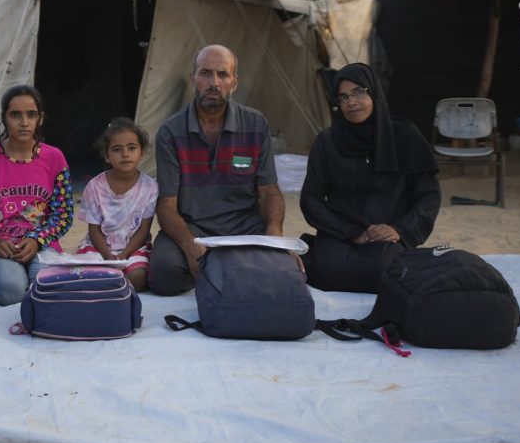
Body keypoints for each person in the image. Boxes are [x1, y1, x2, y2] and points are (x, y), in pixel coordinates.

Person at [150, 44, 288, 295]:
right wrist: (189, 244)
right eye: (205, 73)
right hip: (193, 229)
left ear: (234, 81)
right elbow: (166, 206)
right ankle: (226, 267)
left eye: (223, 74)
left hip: (245, 228)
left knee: (281, 269)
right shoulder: (170, 132)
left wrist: (274, 235)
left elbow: (269, 192)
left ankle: (219, 268)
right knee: (163, 274)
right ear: (193, 79)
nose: (214, 82)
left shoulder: (256, 124)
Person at [300, 62, 441, 293]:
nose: (351, 102)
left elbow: (428, 195)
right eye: (343, 97)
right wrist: (350, 233)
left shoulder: (405, 137)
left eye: (358, 92)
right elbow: (310, 198)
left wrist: (400, 230)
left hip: (386, 233)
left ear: (374, 93)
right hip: (341, 232)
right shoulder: (327, 141)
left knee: (384, 274)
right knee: (327, 272)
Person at [0, 85, 74, 306]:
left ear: (40, 118)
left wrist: (37, 239)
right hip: (0, 247)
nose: (24, 122)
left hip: (42, 244)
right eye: (15, 114)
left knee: (48, 289)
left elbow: (63, 215)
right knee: (10, 292)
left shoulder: (55, 158)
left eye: (31, 114)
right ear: (4, 117)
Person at [75, 118, 159, 292]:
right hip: (99, 246)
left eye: (132, 148)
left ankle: (111, 284)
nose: (125, 154)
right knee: (86, 275)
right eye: (117, 149)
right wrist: (107, 256)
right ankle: (109, 282)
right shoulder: (95, 186)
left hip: (134, 247)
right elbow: (94, 229)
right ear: (106, 155)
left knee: (138, 279)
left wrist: (124, 255)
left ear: (141, 151)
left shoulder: (150, 187)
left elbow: (143, 230)